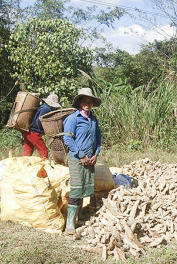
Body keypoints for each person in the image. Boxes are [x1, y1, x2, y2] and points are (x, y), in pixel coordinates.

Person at [63, 87, 102, 235]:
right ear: (79, 102)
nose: (87, 103)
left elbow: (98, 138)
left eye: (90, 101)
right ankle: (70, 225)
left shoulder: (93, 119)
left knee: (86, 187)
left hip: (90, 160)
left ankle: (79, 216)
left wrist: (96, 153)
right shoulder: (73, 118)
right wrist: (81, 155)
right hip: (77, 159)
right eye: (84, 101)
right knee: (77, 188)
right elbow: (67, 138)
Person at [22, 93, 61, 159]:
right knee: (44, 151)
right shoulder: (46, 109)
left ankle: (23, 165)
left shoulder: (42, 106)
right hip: (33, 133)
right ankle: (44, 167)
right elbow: (39, 121)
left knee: (28, 150)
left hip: (27, 131)